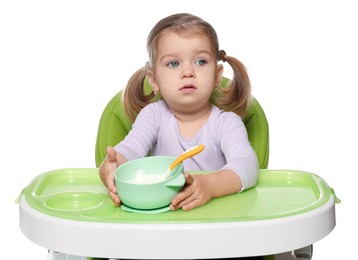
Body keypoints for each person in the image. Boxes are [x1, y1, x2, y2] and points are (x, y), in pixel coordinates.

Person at [99, 13, 258, 211]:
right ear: (154, 80)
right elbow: (130, 150)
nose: (188, 72)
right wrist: (111, 167)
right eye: (174, 63)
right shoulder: (153, 116)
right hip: (163, 222)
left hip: (215, 221)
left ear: (217, 76)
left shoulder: (226, 123)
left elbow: (248, 165)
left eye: (200, 61)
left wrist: (210, 186)